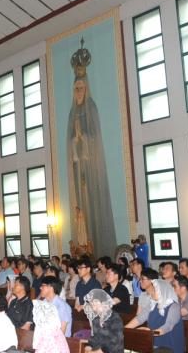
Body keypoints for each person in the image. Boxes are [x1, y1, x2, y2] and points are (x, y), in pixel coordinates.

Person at [66, 38, 117, 259]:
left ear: (86, 88)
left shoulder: (92, 108)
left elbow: (95, 137)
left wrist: (83, 137)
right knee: (80, 204)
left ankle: (97, 246)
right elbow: (69, 142)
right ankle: (82, 242)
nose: (78, 91)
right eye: (75, 88)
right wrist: (74, 141)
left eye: (81, 87)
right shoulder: (72, 113)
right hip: (78, 163)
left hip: (90, 163)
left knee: (92, 202)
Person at [125, 268, 185, 353]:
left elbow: (168, 327)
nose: (152, 292)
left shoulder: (174, 306)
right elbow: (139, 318)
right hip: (154, 344)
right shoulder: (153, 304)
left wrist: (150, 332)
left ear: (162, 291)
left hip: (169, 347)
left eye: (155, 290)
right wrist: (125, 330)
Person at [83, 289, 124, 353]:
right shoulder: (95, 318)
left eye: (95, 302)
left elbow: (116, 342)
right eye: (92, 303)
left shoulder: (114, 318)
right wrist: (89, 346)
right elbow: (94, 337)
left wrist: (98, 351)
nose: (93, 307)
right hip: (97, 350)